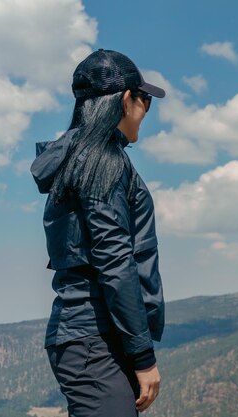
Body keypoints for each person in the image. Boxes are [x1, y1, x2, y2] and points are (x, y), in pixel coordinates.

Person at [31, 49, 166, 416]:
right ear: (126, 100)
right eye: (146, 101)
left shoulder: (81, 159)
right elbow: (115, 261)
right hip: (94, 339)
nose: (145, 112)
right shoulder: (102, 161)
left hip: (92, 338)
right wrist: (142, 356)